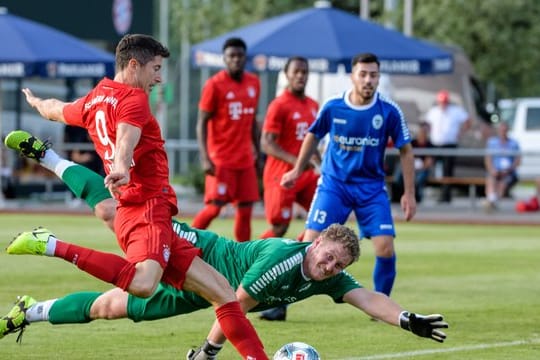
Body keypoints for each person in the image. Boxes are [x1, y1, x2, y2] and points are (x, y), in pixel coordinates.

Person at [13, 33, 267, 359]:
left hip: (140, 209)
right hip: (147, 209)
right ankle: (51, 244)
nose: (159, 78)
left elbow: (57, 110)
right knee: (145, 285)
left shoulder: (95, 97)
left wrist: (36, 103)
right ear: (134, 65)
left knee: (225, 294)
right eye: (155, 69)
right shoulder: (133, 100)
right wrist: (122, 167)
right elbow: (124, 141)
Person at [1, 222, 449, 358]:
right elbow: (233, 304)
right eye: (325, 255)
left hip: (203, 289)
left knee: (110, 308)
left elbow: (368, 298)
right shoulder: (283, 260)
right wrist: (208, 353)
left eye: (336, 264)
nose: (327, 266)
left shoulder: (328, 276)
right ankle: (53, 180)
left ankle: (29, 311)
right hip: (196, 255)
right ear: (313, 243)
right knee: (114, 213)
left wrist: (407, 319)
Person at [279, 53, 417, 321]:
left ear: (378, 78)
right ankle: (279, 302)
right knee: (308, 245)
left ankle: (380, 309)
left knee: (385, 247)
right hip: (335, 186)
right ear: (353, 76)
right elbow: (312, 135)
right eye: (363, 74)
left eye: (373, 75)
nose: (368, 80)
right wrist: (297, 169)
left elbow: (406, 151)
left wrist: (409, 193)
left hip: (371, 189)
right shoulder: (333, 107)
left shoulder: (389, 111)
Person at [193, 37, 260, 242]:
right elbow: (201, 122)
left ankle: (243, 255)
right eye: (232, 56)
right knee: (214, 207)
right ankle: (183, 242)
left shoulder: (254, 83)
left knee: (246, 209)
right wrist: (205, 158)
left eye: (240, 55)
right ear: (224, 58)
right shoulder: (214, 85)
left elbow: (252, 120)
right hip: (220, 158)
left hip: (245, 158)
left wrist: (258, 151)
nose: (236, 60)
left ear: (245, 57)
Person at [259, 56, 319, 239]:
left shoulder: (313, 105)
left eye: (304, 72)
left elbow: (312, 139)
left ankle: (297, 251)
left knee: (323, 217)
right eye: (296, 72)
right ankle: (247, 257)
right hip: (282, 174)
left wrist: (321, 164)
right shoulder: (279, 105)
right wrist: (297, 163)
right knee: (279, 228)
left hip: (306, 175)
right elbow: (266, 143)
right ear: (287, 74)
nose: (301, 76)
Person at [424, 89, 472, 203]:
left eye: (444, 102)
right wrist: (429, 133)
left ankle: (446, 195)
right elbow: (426, 124)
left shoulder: (455, 111)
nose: (443, 104)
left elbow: (468, 120)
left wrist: (460, 133)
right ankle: (427, 190)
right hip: (435, 144)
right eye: (441, 102)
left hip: (449, 144)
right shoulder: (434, 111)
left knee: (447, 171)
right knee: (429, 166)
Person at [483, 121, 521, 212]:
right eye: (501, 130)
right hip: (495, 171)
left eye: (505, 130)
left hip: (508, 172)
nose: (503, 132)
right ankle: (492, 201)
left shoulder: (514, 143)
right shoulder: (492, 142)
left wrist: (509, 170)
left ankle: (492, 203)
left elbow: (518, 159)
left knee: (502, 183)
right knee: (491, 179)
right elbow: (488, 159)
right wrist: (492, 170)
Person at [394, 121, 434, 203]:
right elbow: (404, 156)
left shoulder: (430, 145)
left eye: (424, 132)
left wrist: (420, 167)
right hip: (410, 167)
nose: (422, 134)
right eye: (421, 132)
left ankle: (416, 198)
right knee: (398, 174)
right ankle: (398, 196)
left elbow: (429, 161)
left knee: (419, 178)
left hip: (421, 169)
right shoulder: (412, 143)